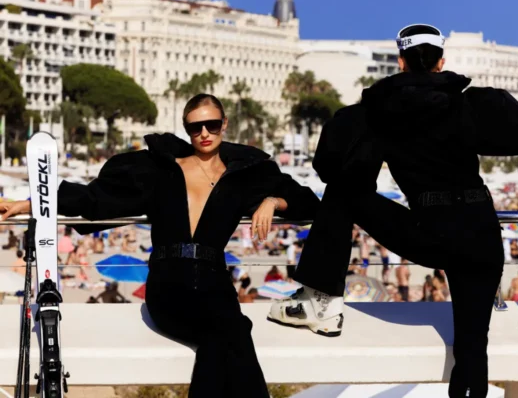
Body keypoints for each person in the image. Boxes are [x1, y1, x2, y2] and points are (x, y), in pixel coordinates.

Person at [267, 24, 518, 398]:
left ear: (401, 62)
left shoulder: (378, 112)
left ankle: (320, 299)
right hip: (480, 234)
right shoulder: (468, 104)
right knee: (471, 348)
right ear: (440, 62)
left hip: (430, 232)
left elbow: (334, 168)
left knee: (344, 191)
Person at [0, 93, 319, 398]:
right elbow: (97, 199)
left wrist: (273, 201)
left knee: (230, 333)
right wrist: (32, 203)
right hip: (168, 285)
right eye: (196, 127)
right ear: (187, 130)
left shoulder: (246, 176)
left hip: (216, 285)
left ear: (224, 124)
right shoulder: (162, 170)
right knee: (227, 335)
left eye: (211, 125)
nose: (204, 133)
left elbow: (308, 203)